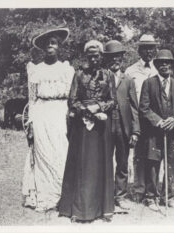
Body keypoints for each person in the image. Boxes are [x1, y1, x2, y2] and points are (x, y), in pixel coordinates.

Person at [57, 40, 116, 223]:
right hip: (82, 127)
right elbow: (72, 100)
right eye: (90, 55)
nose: (93, 58)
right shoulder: (79, 74)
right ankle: (79, 210)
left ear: (101, 56)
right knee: (82, 165)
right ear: (86, 56)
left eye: (96, 55)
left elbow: (113, 100)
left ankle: (101, 209)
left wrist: (99, 107)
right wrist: (85, 110)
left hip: (101, 127)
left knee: (100, 164)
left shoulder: (108, 75)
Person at [21, 28, 75, 212]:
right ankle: (44, 196)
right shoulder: (36, 69)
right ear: (43, 48)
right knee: (43, 153)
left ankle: (61, 196)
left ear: (59, 46)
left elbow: (71, 98)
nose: (50, 46)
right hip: (42, 113)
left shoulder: (66, 69)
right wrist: (31, 124)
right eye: (47, 43)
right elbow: (32, 99)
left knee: (61, 152)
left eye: (54, 42)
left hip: (60, 113)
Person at [139, 49, 174, 211]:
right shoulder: (149, 83)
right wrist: (159, 121)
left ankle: (168, 196)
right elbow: (144, 108)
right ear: (157, 65)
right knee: (153, 163)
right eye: (161, 63)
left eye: (168, 62)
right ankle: (151, 197)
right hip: (154, 132)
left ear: (172, 65)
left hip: (173, 132)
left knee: (172, 164)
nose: (164, 65)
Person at [103, 40, 140, 210]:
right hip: (105, 126)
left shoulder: (128, 80)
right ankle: (104, 195)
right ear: (106, 59)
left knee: (123, 162)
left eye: (118, 56)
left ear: (122, 58)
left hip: (123, 126)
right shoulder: (101, 77)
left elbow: (134, 107)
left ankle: (120, 195)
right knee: (104, 160)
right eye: (111, 57)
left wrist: (135, 131)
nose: (115, 60)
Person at [124, 34, 158, 202]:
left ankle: (152, 189)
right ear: (139, 50)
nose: (148, 51)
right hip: (137, 119)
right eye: (145, 48)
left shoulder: (159, 69)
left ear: (155, 50)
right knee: (138, 155)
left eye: (151, 48)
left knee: (153, 154)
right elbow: (127, 99)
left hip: (154, 120)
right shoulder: (130, 71)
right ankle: (138, 189)